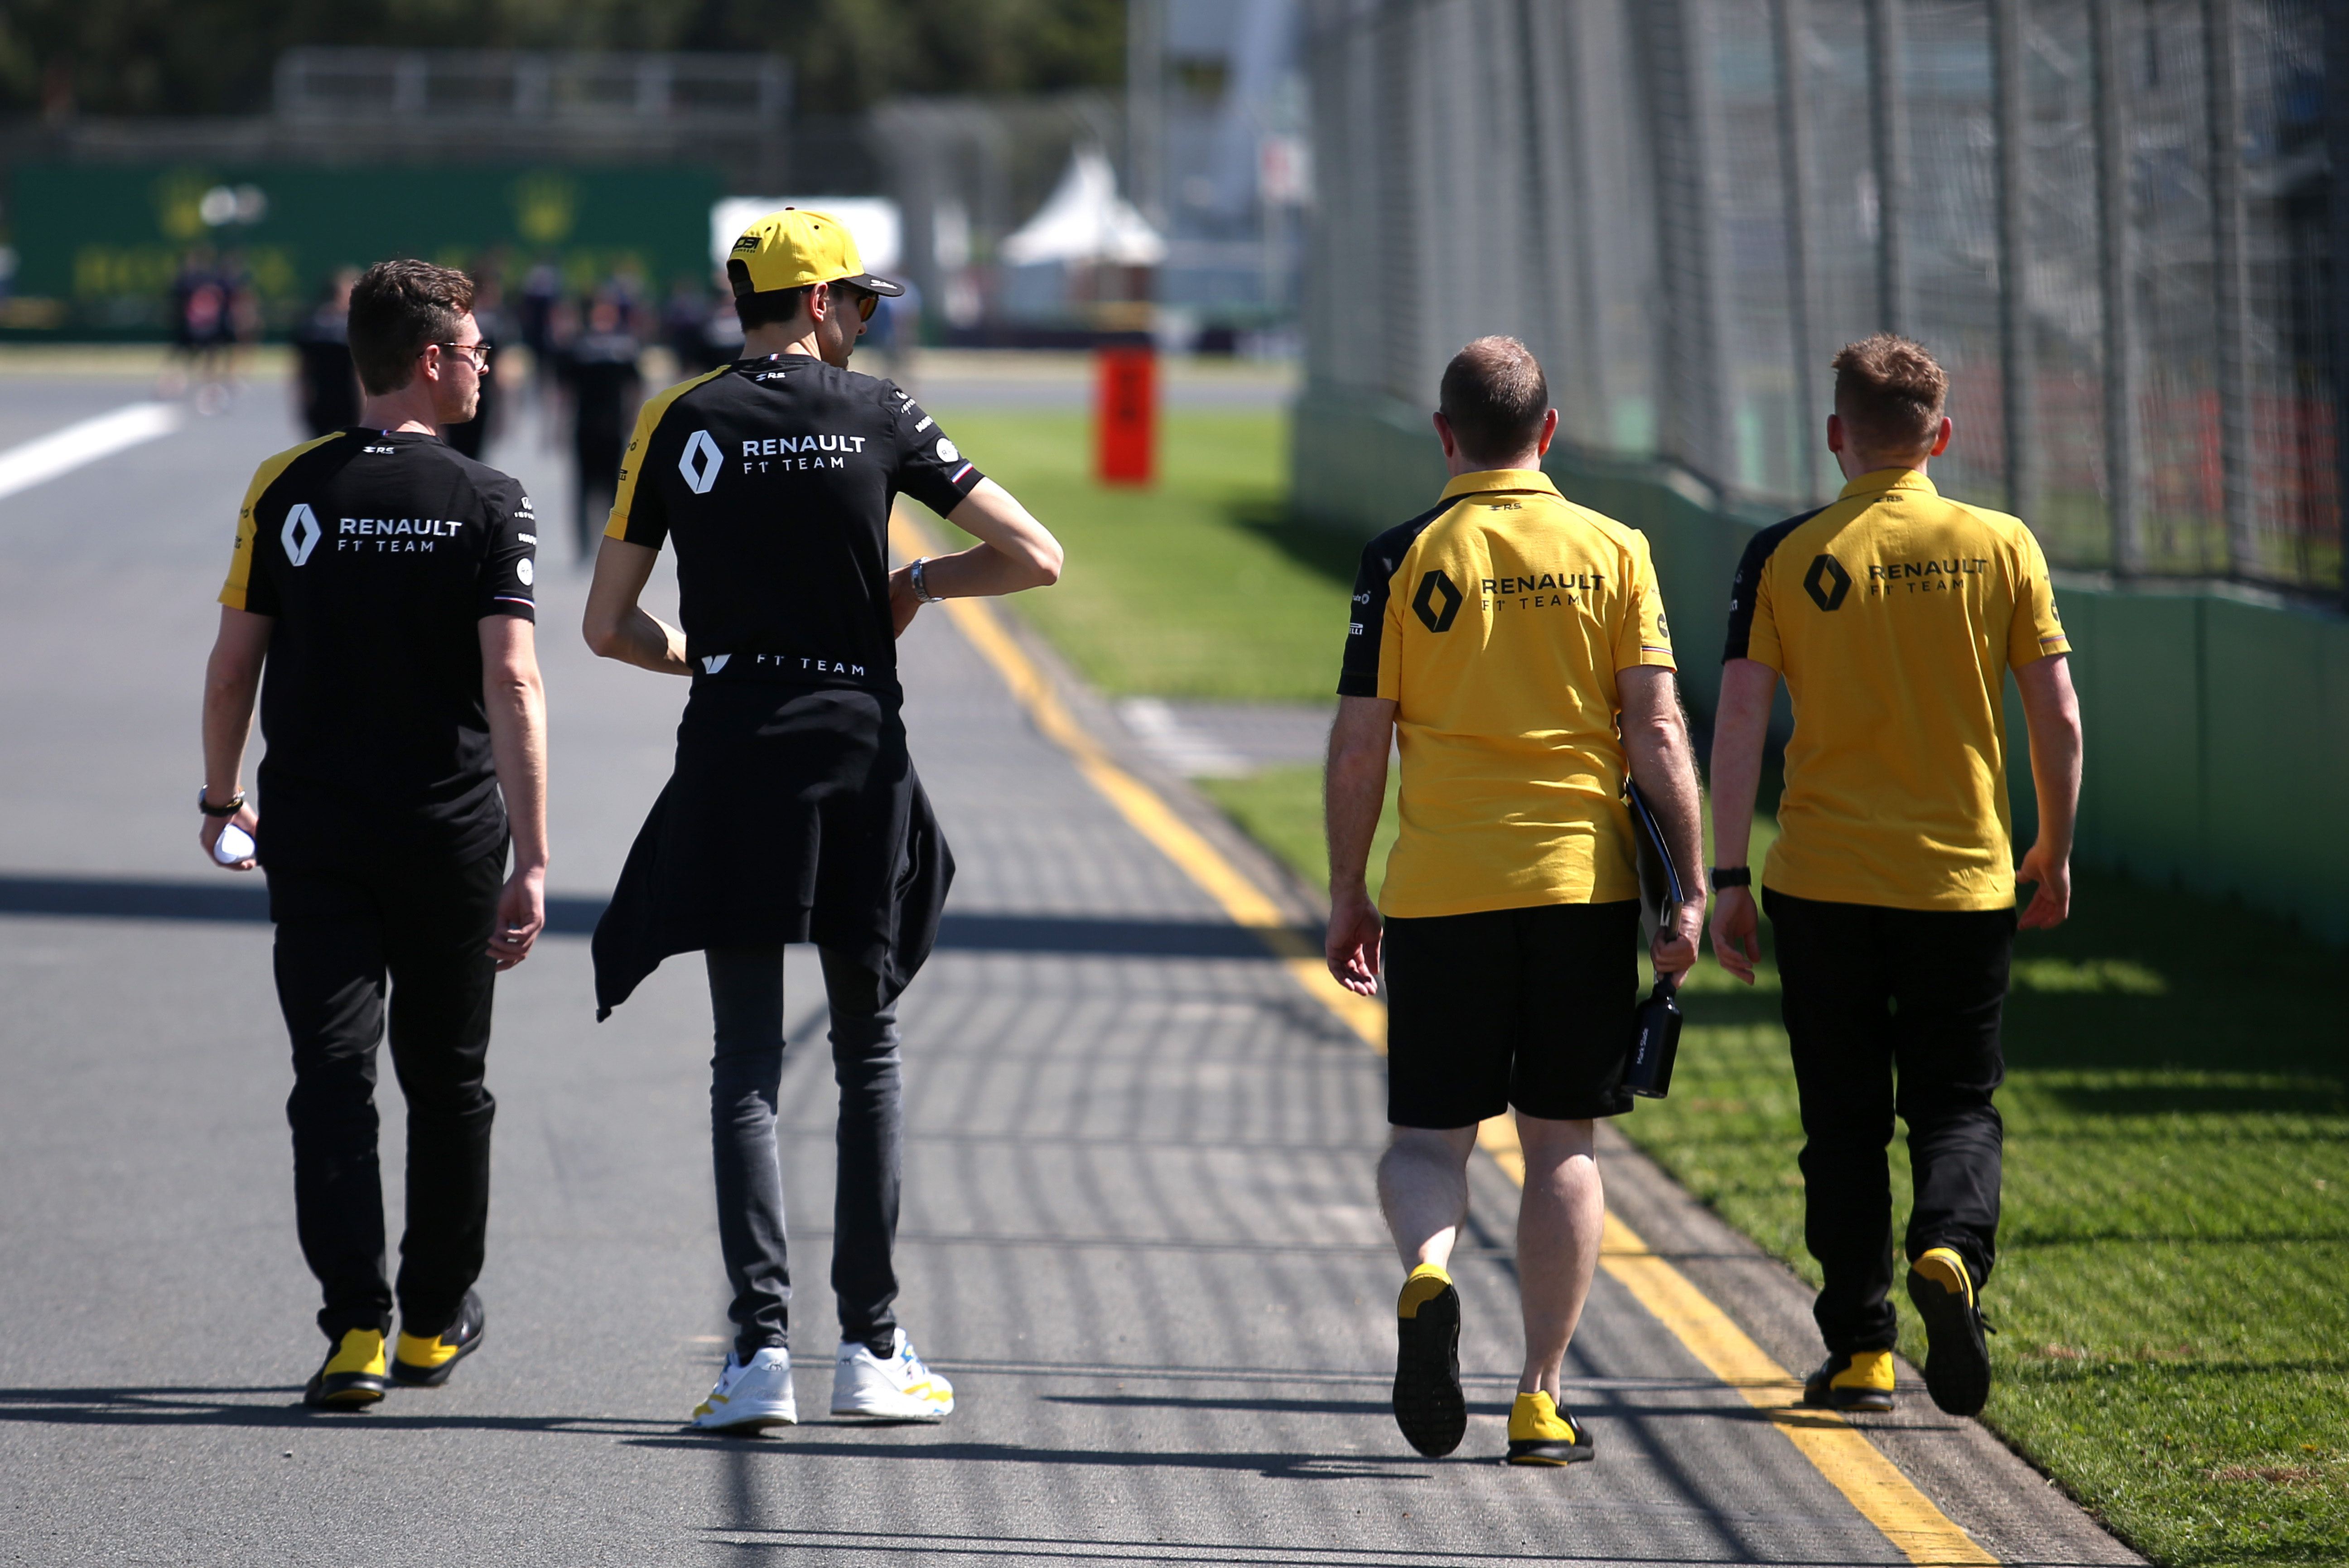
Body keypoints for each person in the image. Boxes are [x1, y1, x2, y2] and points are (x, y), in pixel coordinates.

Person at [583, 207, 1061, 1434]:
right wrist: (916, 581)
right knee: (868, 1056)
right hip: (857, 748)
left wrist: (704, 657)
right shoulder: (882, 412)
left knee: (744, 1064)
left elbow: (605, 625)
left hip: (735, 746)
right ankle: (871, 1347)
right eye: (860, 301)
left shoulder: (679, 418)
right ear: (819, 302)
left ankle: (756, 1359)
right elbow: (1035, 554)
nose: (865, 320)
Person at [1324, 337, 1706, 1467]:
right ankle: (1538, 1397)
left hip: (1441, 888)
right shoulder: (1613, 549)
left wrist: (1349, 894)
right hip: (1576, 888)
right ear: (1549, 431)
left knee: (1427, 1140)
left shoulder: (1400, 556)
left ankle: (1429, 1273)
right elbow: (1658, 733)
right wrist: (1685, 890)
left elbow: (1360, 746)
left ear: (1444, 436)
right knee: (1561, 1145)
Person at [1707, 333, 2083, 1419]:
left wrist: (1726, 873)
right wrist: (2051, 848)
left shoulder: (1782, 554)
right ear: (1940, 436)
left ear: (1835, 436)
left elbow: (1736, 718)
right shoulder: (1998, 542)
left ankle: (1862, 1348)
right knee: (1954, 1104)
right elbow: (2053, 714)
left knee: (1840, 1119)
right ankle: (1950, 1249)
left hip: (1819, 879)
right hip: (1960, 880)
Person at [197, 259, 548, 1410]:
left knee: (332, 1075)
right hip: (447, 832)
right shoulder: (493, 499)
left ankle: (353, 1326)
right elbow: (515, 681)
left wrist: (218, 798)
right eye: (478, 350)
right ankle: (434, 1320)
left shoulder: (284, 488)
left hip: (314, 829)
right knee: (448, 1081)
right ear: (434, 360)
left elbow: (235, 662)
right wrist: (534, 856)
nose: (489, 367)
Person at [557, 291, 642, 560]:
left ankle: (610, 541)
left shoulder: (621, 345)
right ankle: (585, 545)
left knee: (614, 489)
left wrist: (634, 418)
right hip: (586, 426)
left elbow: (634, 386)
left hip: (611, 427)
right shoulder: (580, 346)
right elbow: (565, 390)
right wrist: (559, 424)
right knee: (584, 488)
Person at [291, 270, 361, 439]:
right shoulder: (353, 328)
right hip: (348, 403)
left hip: (320, 403)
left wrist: (303, 405)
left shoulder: (310, 325)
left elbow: (303, 371)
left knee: (319, 455)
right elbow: (359, 374)